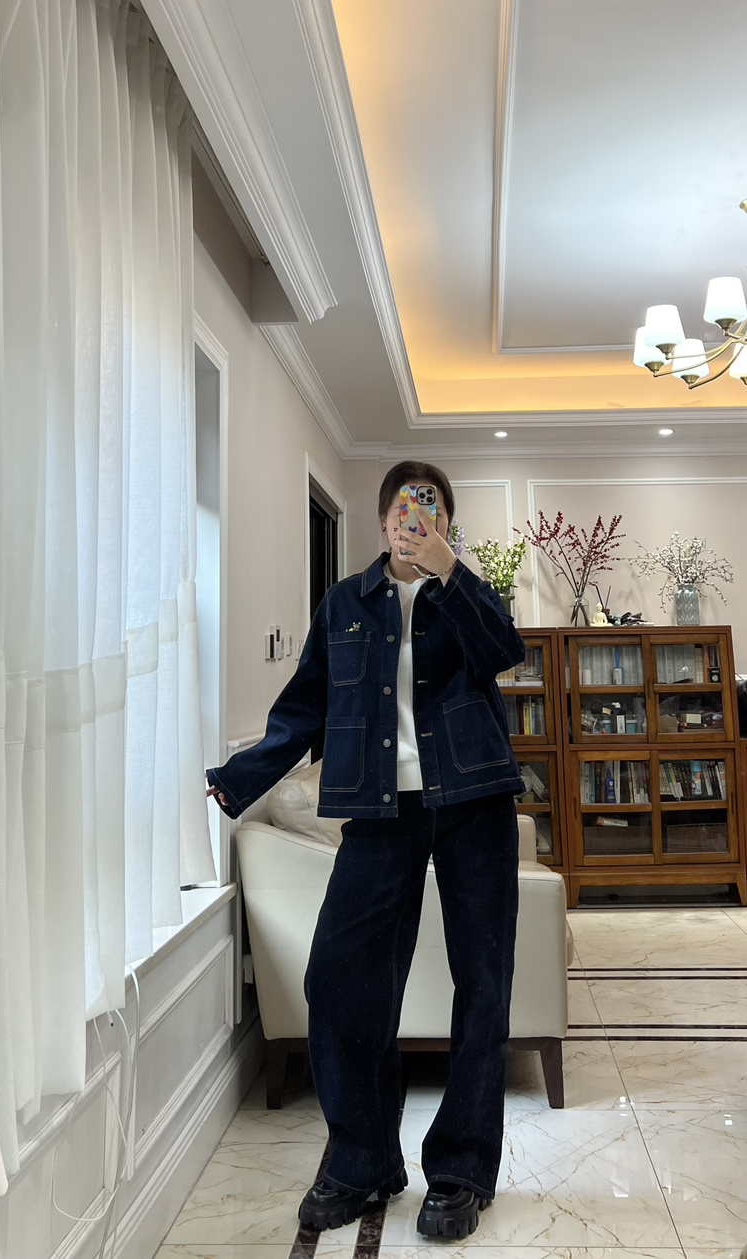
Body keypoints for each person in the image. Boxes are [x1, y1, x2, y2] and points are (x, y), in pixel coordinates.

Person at [206, 461, 526, 1240]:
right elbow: (305, 705)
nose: (415, 521)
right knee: (339, 979)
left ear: (445, 522)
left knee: (483, 982)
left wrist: (452, 573)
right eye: (403, 509)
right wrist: (240, 778)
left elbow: (503, 649)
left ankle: (460, 1169)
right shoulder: (344, 602)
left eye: (431, 510)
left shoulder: (464, 594)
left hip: (474, 801)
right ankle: (361, 1162)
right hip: (378, 810)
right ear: (381, 520)